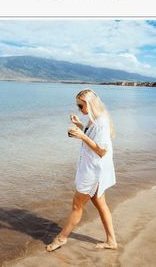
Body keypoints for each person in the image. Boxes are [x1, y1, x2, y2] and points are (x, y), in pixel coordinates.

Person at [46, 89, 117, 252]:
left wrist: (82, 136)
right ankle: (112, 241)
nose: (79, 109)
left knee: (77, 206)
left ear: (90, 104)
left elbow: (102, 151)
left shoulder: (102, 123)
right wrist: (79, 126)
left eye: (80, 106)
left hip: (93, 172)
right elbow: (92, 137)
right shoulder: (95, 120)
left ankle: (61, 238)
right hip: (92, 169)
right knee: (101, 205)